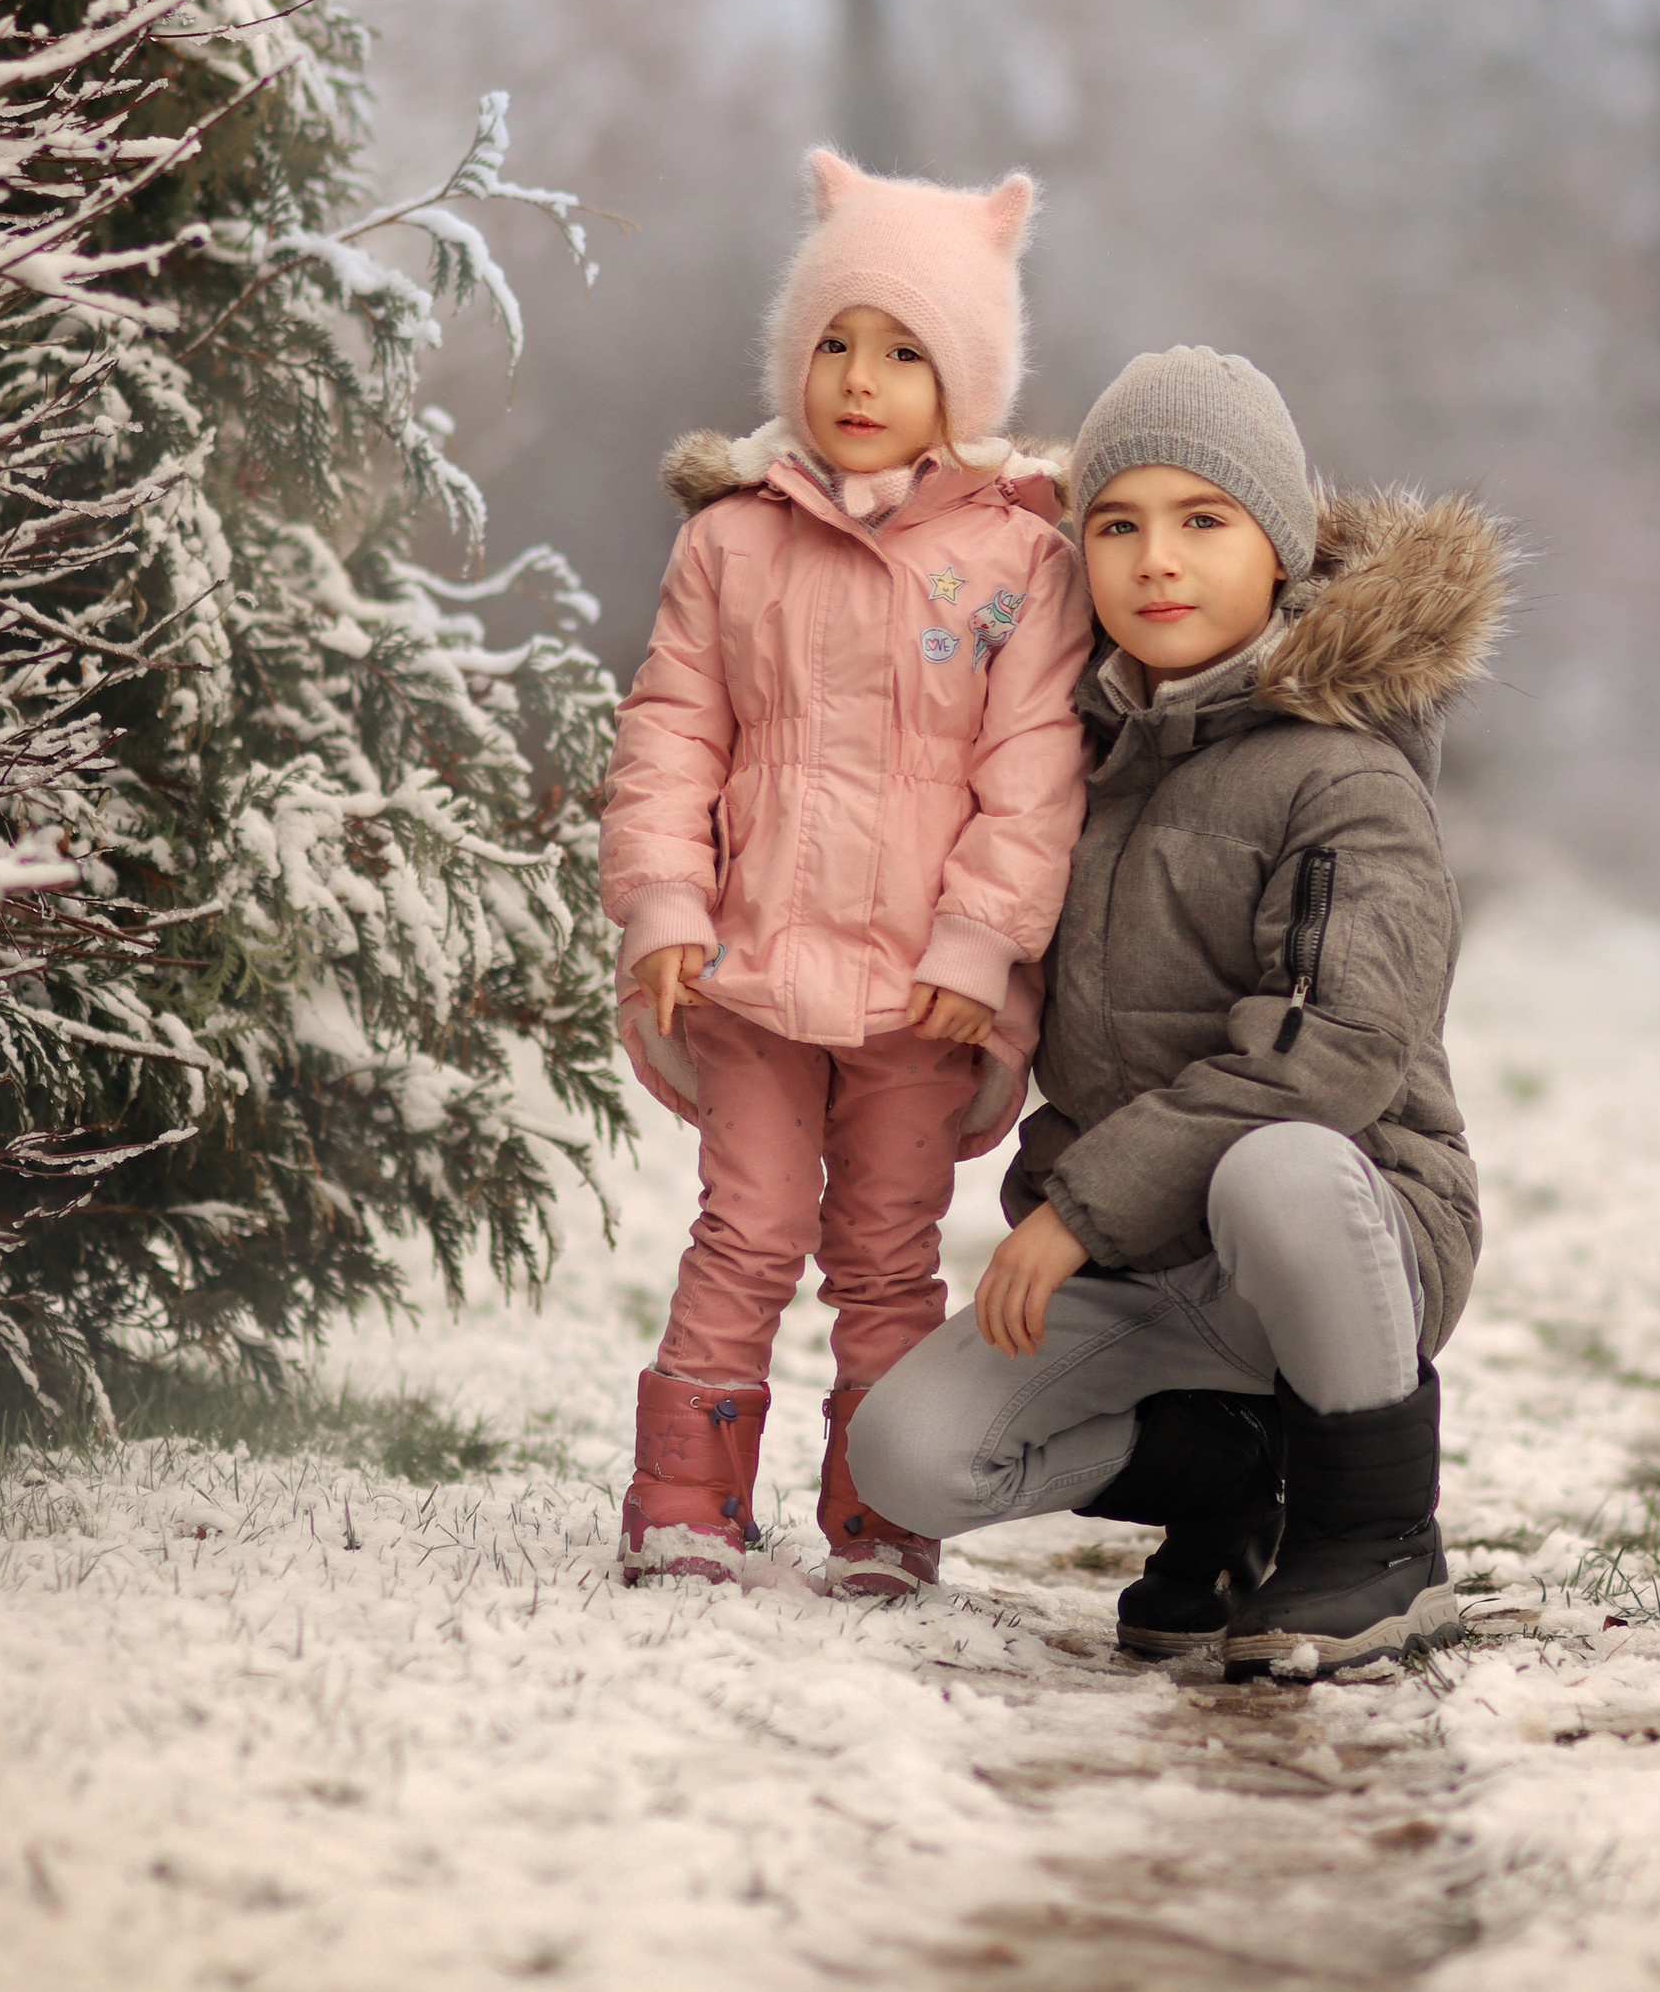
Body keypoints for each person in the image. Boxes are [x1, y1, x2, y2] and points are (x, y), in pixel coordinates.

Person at [847, 346, 1511, 1677]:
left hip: (1343, 1226)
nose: (1159, 559)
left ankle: (1375, 1537)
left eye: (1203, 520)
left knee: (1274, 1166)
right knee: (906, 1453)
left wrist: (1080, 1212)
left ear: (1276, 550)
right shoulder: (1070, 767)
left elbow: (1329, 1057)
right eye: (1118, 523)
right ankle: (1233, 1477)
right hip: (1152, 1264)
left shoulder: (1348, 777)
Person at [600, 150, 1090, 1595]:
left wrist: (980, 949)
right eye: (834, 342)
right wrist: (666, 904)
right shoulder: (731, 543)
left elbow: (1034, 774)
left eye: (903, 351)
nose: (861, 378)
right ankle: (685, 1491)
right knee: (743, 1226)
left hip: (918, 996)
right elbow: (670, 731)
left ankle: (883, 1508)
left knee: (886, 1253)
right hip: (751, 966)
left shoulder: (1015, 563)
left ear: (968, 380)